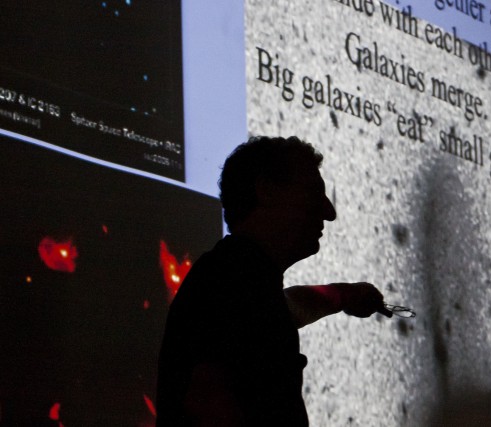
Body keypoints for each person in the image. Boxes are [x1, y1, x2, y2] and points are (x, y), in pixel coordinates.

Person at [156, 136, 392, 426]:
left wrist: (344, 295)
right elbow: (206, 402)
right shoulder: (233, 277)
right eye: (314, 194)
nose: (329, 212)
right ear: (266, 190)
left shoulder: (238, 277)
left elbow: (287, 307)